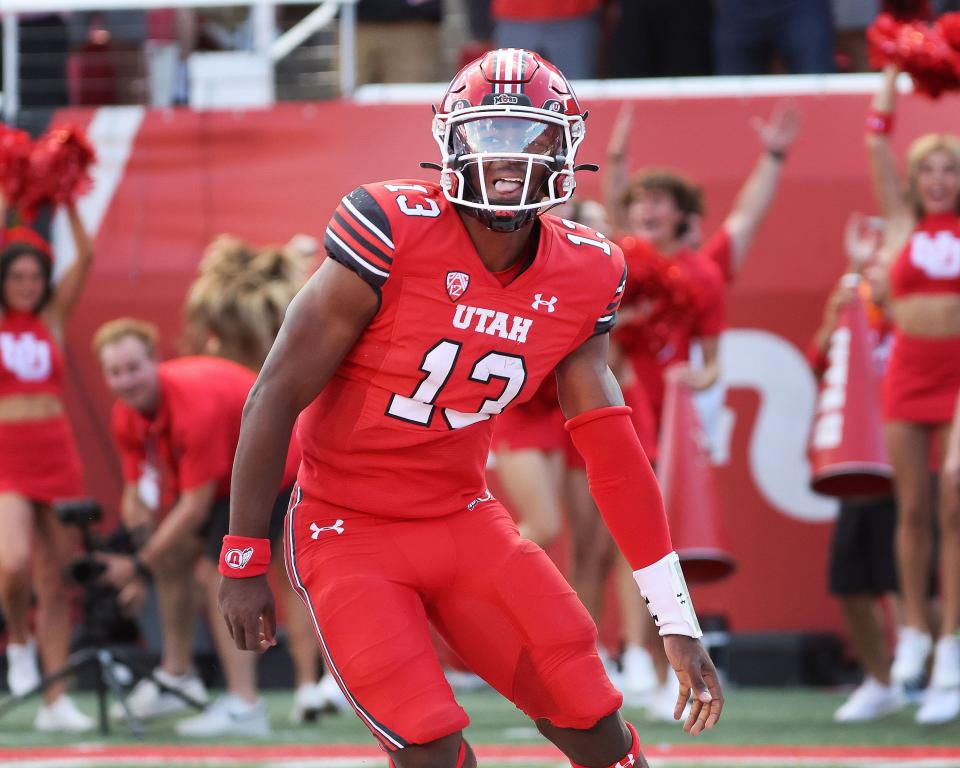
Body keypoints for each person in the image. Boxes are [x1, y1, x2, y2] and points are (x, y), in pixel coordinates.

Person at [220, 49, 722, 768]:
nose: (509, 158)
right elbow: (275, 392)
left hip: (463, 517)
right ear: (453, 140)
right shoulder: (389, 227)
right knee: (425, 739)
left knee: (592, 717)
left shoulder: (587, 269)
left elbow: (612, 451)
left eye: (530, 136)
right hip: (347, 525)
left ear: (566, 148)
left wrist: (674, 616)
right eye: (491, 134)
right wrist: (244, 557)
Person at [93, 319, 299, 736]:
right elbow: (135, 491)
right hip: (231, 479)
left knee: (221, 573)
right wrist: (143, 542)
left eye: (133, 367)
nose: (125, 380)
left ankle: (246, 705)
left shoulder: (192, 405)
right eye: (115, 372)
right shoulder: (125, 415)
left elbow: (195, 504)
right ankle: (177, 675)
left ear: (154, 361)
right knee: (171, 558)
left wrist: (136, 565)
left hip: (280, 469)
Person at [180, 233, 333, 722]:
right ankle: (309, 685)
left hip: (258, 468)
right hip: (279, 462)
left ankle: (246, 697)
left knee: (229, 577)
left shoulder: (244, 341)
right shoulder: (282, 326)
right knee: (293, 579)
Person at [866, 65, 960, 724]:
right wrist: (892, 75)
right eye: (928, 171)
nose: (937, 182)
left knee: (954, 494)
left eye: (949, 172)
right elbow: (876, 145)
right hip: (908, 369)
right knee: (912, 507)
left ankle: (952, 644)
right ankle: (916, 636)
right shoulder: (900, 220)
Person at [0, 201, 96, 731]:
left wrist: (68, 197)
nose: (27, 284)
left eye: (35, 275)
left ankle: (56, 701)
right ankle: (18, 641)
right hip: (7, 457)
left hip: (56, 455)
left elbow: (86, 256)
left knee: (57, 580)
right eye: (16, 275)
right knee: (12, 562)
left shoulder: (51, 321)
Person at [807, 213, 905, 722]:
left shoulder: (923, 314)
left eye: (884, 258)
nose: (876, 269)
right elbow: (822, 360)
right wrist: (837, 314)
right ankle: (882, 678)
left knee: (914, 579)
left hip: (916, 459)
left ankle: (927, 673)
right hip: (865, 461)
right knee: (852, 578)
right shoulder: (855, 305)